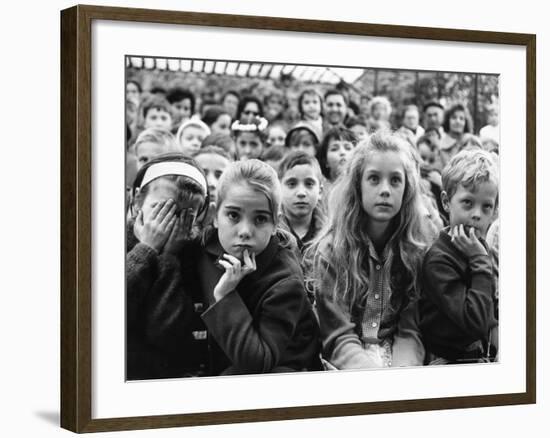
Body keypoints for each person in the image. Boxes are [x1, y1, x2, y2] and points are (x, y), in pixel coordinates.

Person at [311, 131, 432, 369]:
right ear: (358, 185)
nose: (385, 190)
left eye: (395, 180)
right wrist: (372, 379)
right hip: (348, 360)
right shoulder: (331, 251)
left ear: (407, 189)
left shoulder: (415, 251)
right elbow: (339, 335)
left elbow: (410, 330)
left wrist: (402, 374)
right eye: (374, 178)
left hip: (398, 356)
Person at [196, 159, 321, 375]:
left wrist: (225, 296)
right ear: (215, 216)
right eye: (233, 215)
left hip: (279, 373)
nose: (245, 230)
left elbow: (258, 362)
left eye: (260, 219)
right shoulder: (205, 247)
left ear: (275, 224)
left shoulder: (285, 281)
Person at [126, 153, 210, 379]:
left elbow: (165, 333)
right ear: (136, 201)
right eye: (161, 210)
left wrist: (169, 257)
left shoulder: (193, 256)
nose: (168, 226)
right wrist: (146, 249)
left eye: (183, 217)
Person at [419, 149, 499, 364]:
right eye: (467, 203)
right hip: (449, 361)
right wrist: (480, 261)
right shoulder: (439, 259)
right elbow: (475, 321)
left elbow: (490, 310)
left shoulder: (478, 248)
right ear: (446, 202)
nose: (477, 214)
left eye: (486, 207)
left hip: (478, 353)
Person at [278, 151, 325, 303]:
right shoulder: (270, 234)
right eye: (291, 184)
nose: (301, 192)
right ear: (278, 189)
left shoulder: (331, 235)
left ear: (321, 191)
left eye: (309, 184)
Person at [439, 103, 474, 168]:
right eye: (454, 117)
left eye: (461, 118)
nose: (458, 121)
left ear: (465, 122)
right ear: (447, 120)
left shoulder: (471, 142)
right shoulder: (440, 144)